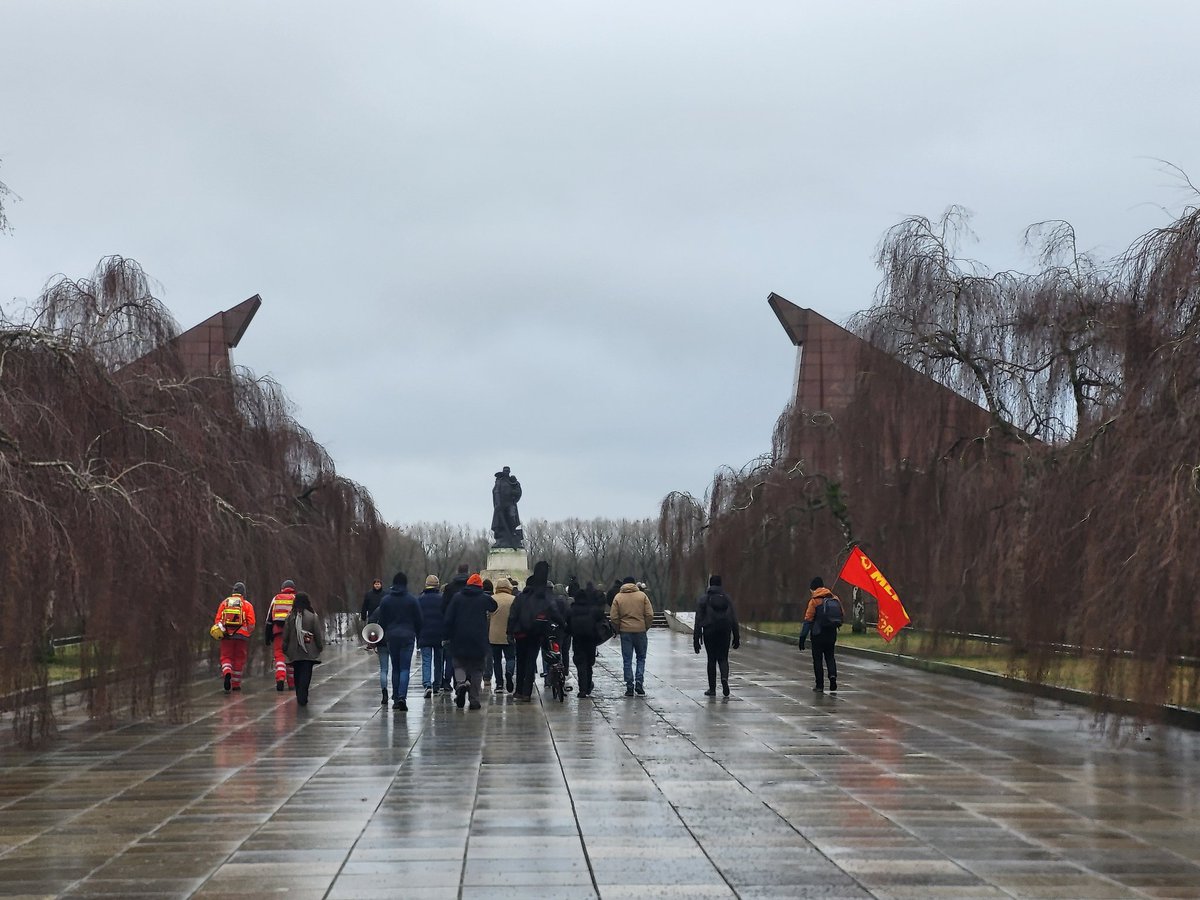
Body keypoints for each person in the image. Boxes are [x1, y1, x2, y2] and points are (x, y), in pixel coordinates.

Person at [508, 561, 565, 701]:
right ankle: (527, 692)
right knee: (530, 661)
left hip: (520, 633)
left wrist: (509, 632)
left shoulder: (520, 597)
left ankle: (519, 690)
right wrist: (563, 625)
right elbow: (554, 612)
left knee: (520, 661)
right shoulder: (543, 597)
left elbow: (513, 615)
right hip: (536, 632)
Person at [444, 573, 498, 710]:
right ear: (480, 586)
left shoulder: (457, 598)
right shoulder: (483, 598)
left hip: (459, 637)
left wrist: (447, 635)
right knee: (477, 669)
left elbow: (448, 619)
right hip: (478, 639)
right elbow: (494, 606)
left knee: (459, 664)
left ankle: (461, 683)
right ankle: (474, 699)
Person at [375, 572, 424, 710]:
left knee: (395, 668)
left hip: (392, 637)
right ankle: (402, 696)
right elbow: (419, 620)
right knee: (405, 669)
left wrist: (381, 638)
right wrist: (418, 635)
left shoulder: (386, 600)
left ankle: (396, 698)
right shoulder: (412, 600)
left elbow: (382, 622)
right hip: (407, 637)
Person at [694, 575, 741, 697]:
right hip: (725, 631)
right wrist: (736, 636)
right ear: (721, 584)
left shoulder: (704, 599)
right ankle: (724, 678)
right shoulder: (727, 599)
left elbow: (698, 619)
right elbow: (734, 618)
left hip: (709, 631)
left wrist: (696, 639)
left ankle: (712, 689)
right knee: (723, 658)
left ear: (710, 584)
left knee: (711, 659)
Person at [609, 576, 654, 697]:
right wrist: (645, 627)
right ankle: (639, 681)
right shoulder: (642, 596)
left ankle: (629, 686)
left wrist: (618, 629)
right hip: (640, 630)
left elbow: (613, 617)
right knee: (641, 658)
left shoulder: (618, 597)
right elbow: (649, 614)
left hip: (625, 631)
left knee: (627, 660)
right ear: (634, 584)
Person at [798, 576, 842, 693]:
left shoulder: (814, 601)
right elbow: (842, 614)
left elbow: (808, 620)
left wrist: (802, 638)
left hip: (818, 634)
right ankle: (832, 676)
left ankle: (819, 685)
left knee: (817, 660)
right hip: (831, 633)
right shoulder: (834, 598)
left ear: (813, 588)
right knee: (830, 656)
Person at [567, 582, 609, 698]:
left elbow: (568, 625)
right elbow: (601, 619)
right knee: (589, 665)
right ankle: (588, 685)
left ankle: (582, 689)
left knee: (580, 664)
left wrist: (570, 633)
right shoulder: (593, 610)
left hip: (577, 640)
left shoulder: (572, 609)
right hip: (590, 640)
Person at [281, 592, 324, 707]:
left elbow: (286, 634)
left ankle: (299, 693)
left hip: (294, 651)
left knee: (297, 672)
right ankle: (303, 694)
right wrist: (319, 646)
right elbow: (317, 633)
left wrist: (285, 647)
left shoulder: (290, 616)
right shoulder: (313, 616)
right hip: (308, 651)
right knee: (306, 673)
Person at [214, 583, 256, 692]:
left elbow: (218, 621)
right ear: (243, 593)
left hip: (226, 636)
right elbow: (251, 623)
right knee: (239, 658)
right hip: (241, 637)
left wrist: (223, 631)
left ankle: (227, 672)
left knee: (226, 657)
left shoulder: (224, 603)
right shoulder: (247, 605)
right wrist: (247, 632)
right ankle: (236, 684)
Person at [416, 574, 447, 698]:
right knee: (438, 661)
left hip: (424, 633)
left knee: (426, 660)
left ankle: (427, 684)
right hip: (439, 634)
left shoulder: (420, 599)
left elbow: (416, 619)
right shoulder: (442, 599)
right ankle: (437, 685)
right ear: (437, 585)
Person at [441, 564, 470, 690]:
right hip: (470, 627)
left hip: (454, 628)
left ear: (457, 571)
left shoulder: (449, 588)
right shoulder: (471, 587)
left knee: (453, 658)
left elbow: (443, 608)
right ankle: (467, 679)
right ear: (468, 572)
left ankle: (453, 681)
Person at [265, 580, 297, 691]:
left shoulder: (276, 599)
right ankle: (292, 684)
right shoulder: (296, 599)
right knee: (292, 657)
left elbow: (269, 619)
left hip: (278, 632)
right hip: (293, 633)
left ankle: (280, 678)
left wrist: (268, 636)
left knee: (279, 656)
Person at [489, 577, 517, 692]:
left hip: (494, 635)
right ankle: (509, 672)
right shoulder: (514, 599)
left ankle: (499, 684)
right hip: (509, 634)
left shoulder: (492, 599)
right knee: (510, 658)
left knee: (496, 660)